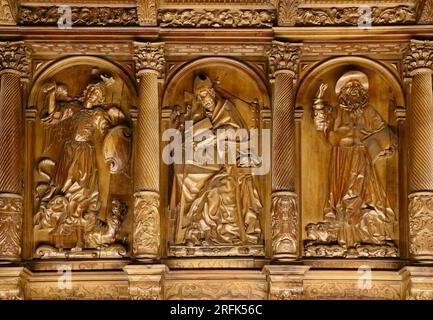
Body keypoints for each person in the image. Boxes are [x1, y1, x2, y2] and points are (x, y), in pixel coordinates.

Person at [307, 71, 397, 248]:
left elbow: (385, 132)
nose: (354, 89)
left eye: (357, 86)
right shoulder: (337, 112)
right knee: (340, 191)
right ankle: (341, 225)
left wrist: (380, 146)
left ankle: (357, 228)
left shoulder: (368, 111)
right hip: (341, 155)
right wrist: (318, 101)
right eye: (349, 87)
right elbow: (321, 125)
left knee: (358, 188)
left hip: (360, 154)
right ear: (343, 93)